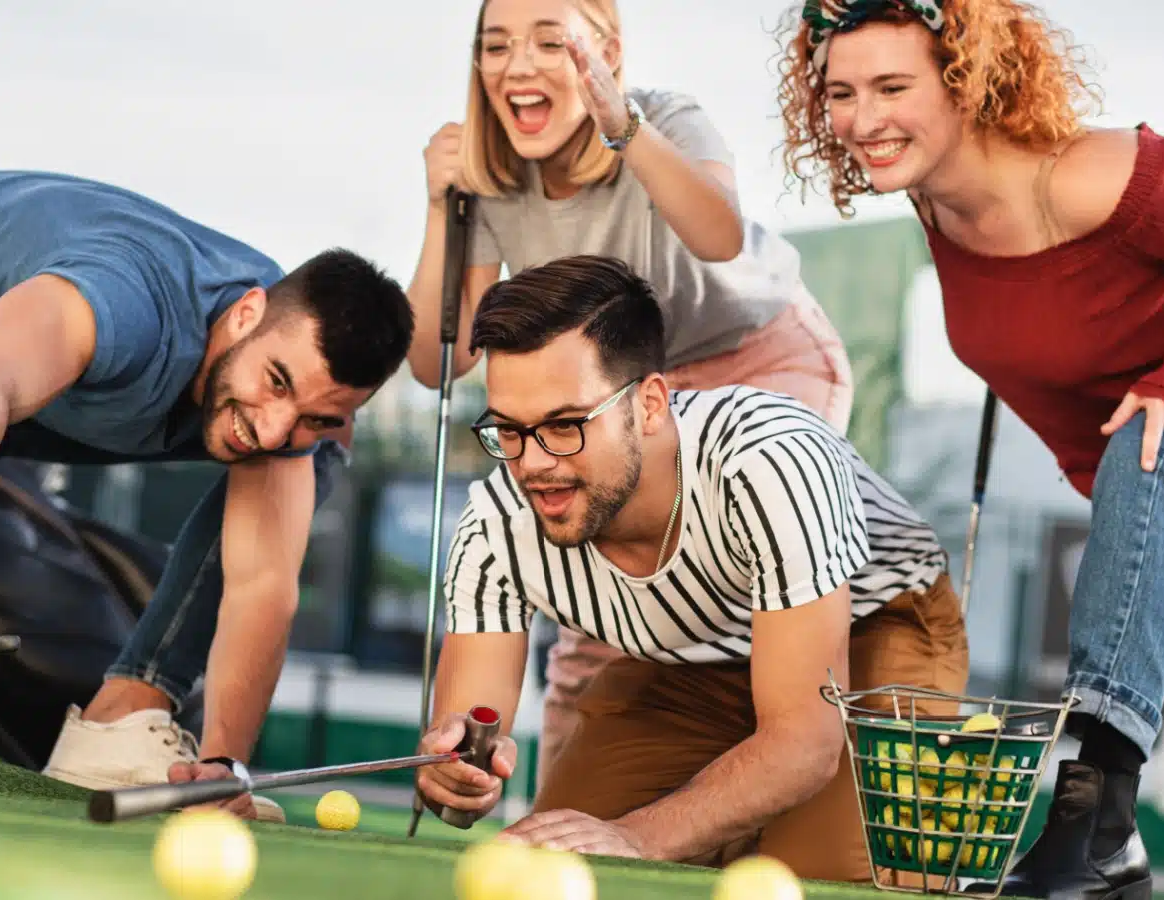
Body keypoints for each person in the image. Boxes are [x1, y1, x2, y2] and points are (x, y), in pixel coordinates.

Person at [776, 1, 1164, 897]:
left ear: (965, 83)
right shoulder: (931, 193)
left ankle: (1094, 819)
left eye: (893, 87)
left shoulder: (1082, 178)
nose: (863, 119)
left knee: (1151, 455)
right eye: (841, 93)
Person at [0, 170, 416, 823]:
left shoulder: (290, 409)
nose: (274, 426)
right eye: (275, 381)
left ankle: (124, 718)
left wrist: (222, 764)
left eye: (314, 410)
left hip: (25, 387)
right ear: (245, 313)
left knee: (314, 458)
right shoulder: (123, 304)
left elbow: (262, 587)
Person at [406, 0, 856, 787]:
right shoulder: (492, 178)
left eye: (550, 42)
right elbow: (437, 362)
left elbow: (717, 236)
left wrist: (627, 128)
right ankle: (566, 814)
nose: (517, 67)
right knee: (595, 608)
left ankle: (765, 784)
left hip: (756, 355)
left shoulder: (666, 118)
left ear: (606, 50)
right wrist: (444, 208)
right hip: (621, 394)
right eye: (496, 46)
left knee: (740, 574)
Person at [411, 254, 967, 882]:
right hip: (687, 662)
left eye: (566, 425)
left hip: (872, 631)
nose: (534, 464)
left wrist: (639, 836)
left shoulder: (769, 457)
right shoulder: (495, 524)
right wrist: (458, 773)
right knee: (557, 861)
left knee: (813, 880)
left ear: (650, 405)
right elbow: (468, 742)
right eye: (509, 430)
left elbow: (806, 744)